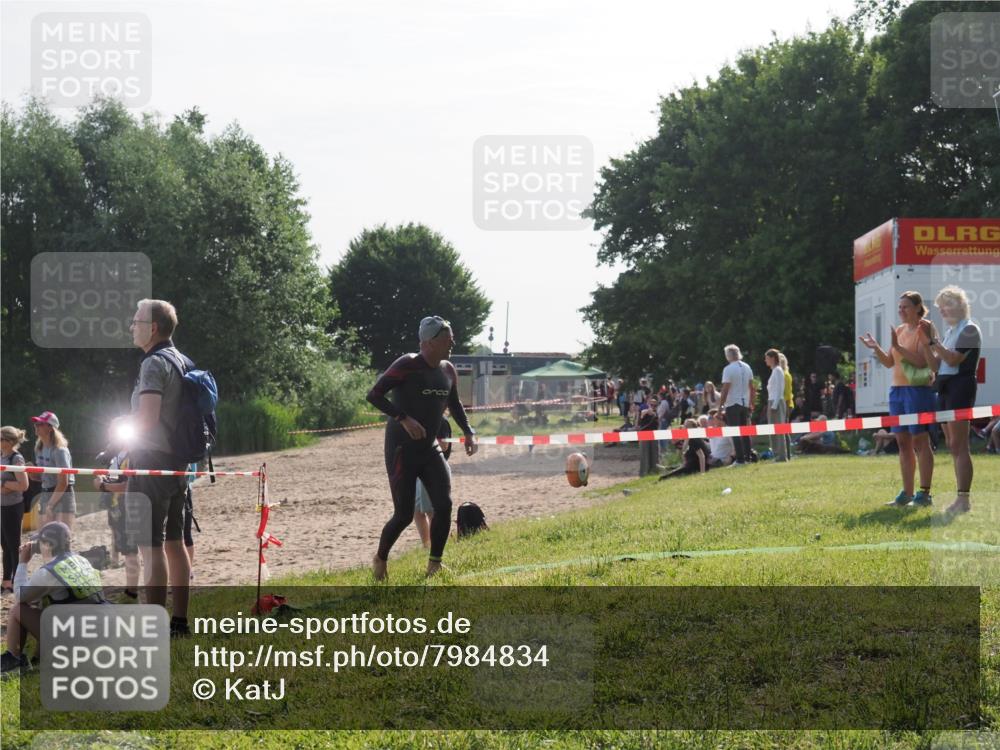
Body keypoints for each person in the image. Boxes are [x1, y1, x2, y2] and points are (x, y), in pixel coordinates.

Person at [366, 316, 478, 580]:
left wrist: (468, 431)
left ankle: (435, 565)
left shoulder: (448, 369)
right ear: (429, 341)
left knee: (444, 504)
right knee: (404, 514)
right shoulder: (408, 364)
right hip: (401, 450)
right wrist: (402, 417)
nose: (453, 341)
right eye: (447, 337)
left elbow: (454, 404)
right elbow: (374, 395)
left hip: (429, 449)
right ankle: (380, 558)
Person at [121, 299, 195, 636]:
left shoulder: (153, 363)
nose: (131, 326)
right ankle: (179, 621)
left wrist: (120, 425)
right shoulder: (182, 360)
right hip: (179, 464)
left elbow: (148, 419)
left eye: (136, 321)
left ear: (152, 328)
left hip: (151, 463)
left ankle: (153, 625)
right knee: (175, 543)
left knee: (150, 546)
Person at [859, 290, 937, 508]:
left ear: (917, 308)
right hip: (897, 391)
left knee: (920, 441)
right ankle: (907, 493)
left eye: (905, 307)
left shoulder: (925, 327)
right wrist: (876, 348)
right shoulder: (901, 329)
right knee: (903, 442)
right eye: (899, 307)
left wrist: (899, 346)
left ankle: (924, 494)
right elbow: (889, 362)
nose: (901, 310)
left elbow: (923, 362)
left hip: (917, 391)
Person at [0, 521, 104, 676]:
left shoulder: (49, 572)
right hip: (100, 635)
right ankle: (39, 659)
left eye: (40, 543)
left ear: (48, 544)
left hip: (78, 642)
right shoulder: (81, 560)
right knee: (46, 603)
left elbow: (20, 595)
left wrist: (22, 563)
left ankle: (14, 660)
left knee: (18, 610)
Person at [922, 286, 982, 515]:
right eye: (940, 307)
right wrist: (927, 342)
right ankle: (961, 499)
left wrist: (933, 341)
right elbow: (936, 364)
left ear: (959, 305)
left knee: (960, 445)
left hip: (960, 387)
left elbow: (953, 359)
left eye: (946, 305)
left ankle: (963, 499)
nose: (942, 311)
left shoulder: (969, 329)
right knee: (952, 446)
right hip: (945, 388)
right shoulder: (950, 331)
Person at [93, 445, 140, 601]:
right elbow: (116, 479)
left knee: (131, 551)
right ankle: (130, 590)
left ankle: (132, 593)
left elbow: (128, 485)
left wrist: (103, 485)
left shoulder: (133, 454)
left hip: (128, 506)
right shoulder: (118, 454)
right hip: (117, 504)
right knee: (127, 550)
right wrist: (103, 480)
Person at [31, 411, 76, 530]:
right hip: (46, 492)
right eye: (36, 423)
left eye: (40, 424)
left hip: (63, 494)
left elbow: (63, 482)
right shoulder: (39, 448)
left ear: (50, 428)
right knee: (43, 535)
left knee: (62, 537)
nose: (36, 426)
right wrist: (30, 472)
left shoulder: (60, 450)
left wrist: (50, 504)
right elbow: (40, 477)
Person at [414, 419, 453, 549]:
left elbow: (444, 446)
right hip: (418, 469)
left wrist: (423, 442)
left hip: (433, 469)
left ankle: (436, 546)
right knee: (416, 511)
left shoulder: (440, 421)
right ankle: (426, 544)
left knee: (432, 511)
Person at [1, 427, 30, 595]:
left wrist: (4, 486)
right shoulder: (2, 456)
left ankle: (17, 581)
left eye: (0, 439)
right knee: (4, 545)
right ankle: (6, 581)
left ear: (9, 441)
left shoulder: (16, 458)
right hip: (2, 506)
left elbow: (23, 485)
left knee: (13, 545)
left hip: (13, 507)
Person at [718, 344, 756, 466]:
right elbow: (752, 387)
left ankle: (740, 459)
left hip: (733, 403)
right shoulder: (747, 367)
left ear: (728, 356)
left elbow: (725, 389)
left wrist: (720, 406)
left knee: (735, 432)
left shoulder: (728, 369)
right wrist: (751, 402)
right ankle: (748, 457)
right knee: (745, 432)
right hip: (744, 403)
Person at [764, 349, 788, 462]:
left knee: (778, 430)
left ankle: (781, 456)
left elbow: (779, 389)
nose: (765, 361)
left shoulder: (778, 370)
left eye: (767, 358)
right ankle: (777, 454)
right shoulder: (774, 371)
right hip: (772, 401)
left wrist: (774, 405)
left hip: (776, 402)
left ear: (773, 358)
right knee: (773, 430)